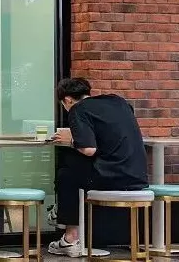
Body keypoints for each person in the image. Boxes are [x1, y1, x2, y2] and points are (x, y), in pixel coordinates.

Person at [48, 77, 148, 257]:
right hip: (138, 175)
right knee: (74, 166)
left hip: (113, 178)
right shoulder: (117, 101)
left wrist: (71, 140)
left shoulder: (77, 109)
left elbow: (89, 149)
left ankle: (70, 237)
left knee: (66, 173)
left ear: (67, 100)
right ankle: (60, 211)